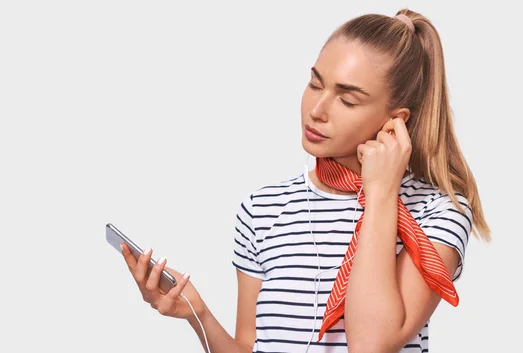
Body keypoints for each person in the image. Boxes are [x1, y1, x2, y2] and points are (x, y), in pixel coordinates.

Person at [120, 8, 491, 353]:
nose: (316, 110)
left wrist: (380, 194)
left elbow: (371, 344)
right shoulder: (263, 210)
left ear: (395, 121)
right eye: (315, 84)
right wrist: (196, 313)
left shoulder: (438, 213)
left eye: (347, 100)